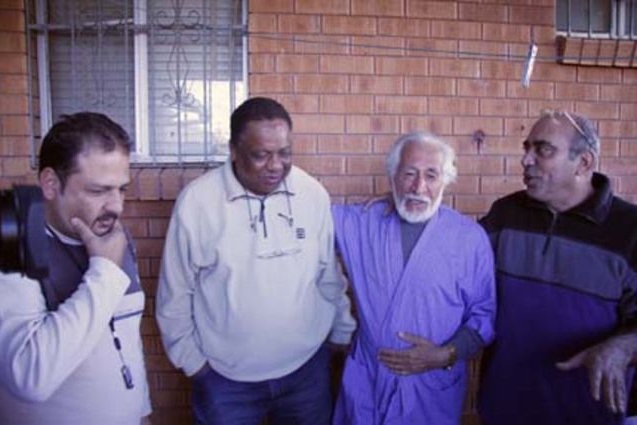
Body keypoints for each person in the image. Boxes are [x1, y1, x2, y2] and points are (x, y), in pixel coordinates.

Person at [156, 97, 356, 424]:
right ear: (234, 150)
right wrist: (194, 364)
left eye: (284, 153)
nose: (275, 165)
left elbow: (328, 275)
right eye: (261, 155)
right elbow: (175, 293)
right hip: (225, 381)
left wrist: (341, 331)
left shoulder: (311, 194)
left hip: (306, 372)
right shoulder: (197, 203)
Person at [478, 110, 637, 425]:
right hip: (505, 407)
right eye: (527, 148)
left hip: (588, 414)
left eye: (543, 149)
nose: (526, 160)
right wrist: (405, 204)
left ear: (584, 163)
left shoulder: (630, 230)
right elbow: (456, 262)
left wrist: (623, 346)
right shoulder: (505, 214)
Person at [331, 131, 497, 424]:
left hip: (430, 390)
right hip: (367, 382)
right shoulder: (362, 221)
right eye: (409, 174)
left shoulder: (470, 238)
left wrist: (446, 355)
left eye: (431, 175)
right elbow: (306, 214)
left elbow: (483, 317)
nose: (419, 187)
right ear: (392, 176)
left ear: (445, 180)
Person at [0, 112, 151, 424]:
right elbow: (30, 375)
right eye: (98, 191)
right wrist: (105, 272)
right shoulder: (10, 251)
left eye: (121, 189)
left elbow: (125, 336)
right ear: (51, 184)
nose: (117, 206)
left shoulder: (113, 236)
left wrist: (140, 410)